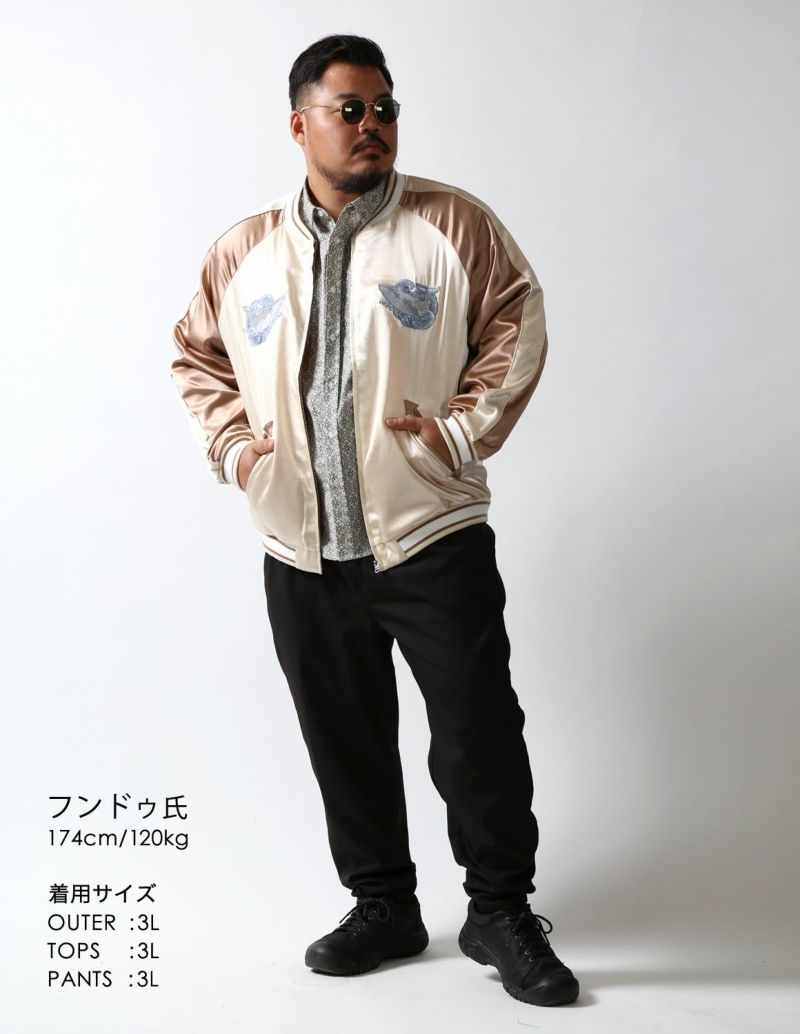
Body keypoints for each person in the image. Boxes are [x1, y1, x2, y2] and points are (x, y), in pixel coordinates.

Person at [170, 34, 579, 1008]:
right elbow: (196, 356)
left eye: (385, 108)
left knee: (476, 731)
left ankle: (500, 909)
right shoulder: (244, 250)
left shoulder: (451, 224)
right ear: (299, 124)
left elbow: (516, 318)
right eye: (349, 109)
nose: (372, 126)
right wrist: (237, 450)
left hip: (429, 532)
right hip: (300, 548)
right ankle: (383, 903)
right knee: (343, 735)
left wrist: (457, 432)